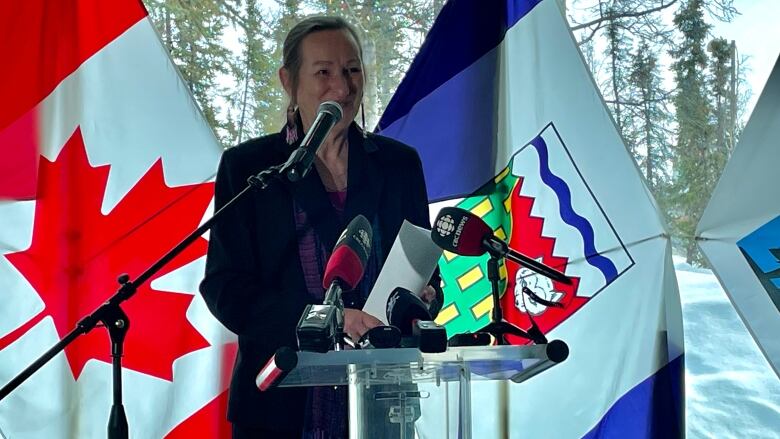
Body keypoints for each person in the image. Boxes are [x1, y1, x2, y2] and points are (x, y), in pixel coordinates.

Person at [199, 16, 441, 438]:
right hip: (278, 405)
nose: (343, 88)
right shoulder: (251, 169)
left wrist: (425, 296)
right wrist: (328, 319)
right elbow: (226, 290)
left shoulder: (399, 165)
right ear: (288, 81)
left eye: (352, 70)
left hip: (383, 401)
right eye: (324, 72)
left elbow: (426, 271)